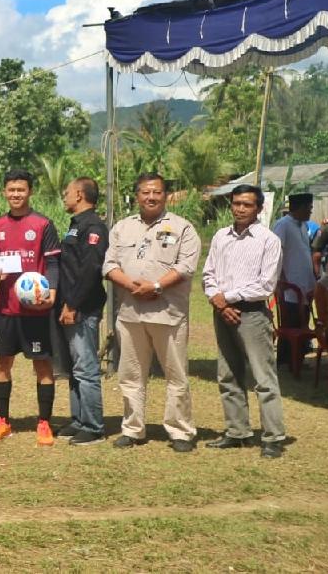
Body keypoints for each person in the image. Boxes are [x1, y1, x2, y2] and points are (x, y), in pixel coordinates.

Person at [103, 172, 202, 452]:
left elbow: (185, 267)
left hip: (168, 314)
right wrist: (131, 286)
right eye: (145, 192)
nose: (151, 197)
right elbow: (109, 265)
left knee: (176, 375)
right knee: (131, 375)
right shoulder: (122, 228)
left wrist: (156, 286)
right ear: (137, 196)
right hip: (131, 314)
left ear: (166, 195)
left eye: (157, 192)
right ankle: (133, 429)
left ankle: (180, 432)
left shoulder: (182, 228)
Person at [203, 184, 287, 458]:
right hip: (222, 312)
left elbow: (265, 285)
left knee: (263, 378)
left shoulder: (268, 240)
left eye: (247, 204)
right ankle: (237, 431)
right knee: (228, 374)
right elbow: (208, 274)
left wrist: (225, 297)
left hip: (251, 314)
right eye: (236, 203)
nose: (240, 208)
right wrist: (218, 300)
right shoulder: (220, 237)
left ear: (259, 209)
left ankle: (273, 437)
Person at [0, 170, 61, 446]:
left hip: (36, 310)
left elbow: (52, 263)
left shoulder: (43, 225)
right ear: (4, 191)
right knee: (2, 363)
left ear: (30, 192)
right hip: (5, 308)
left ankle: (44, 423)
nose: (16, 194)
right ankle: (2, 421)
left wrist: (50, 293)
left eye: (21, 190)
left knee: (42, 365)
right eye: (11, 189)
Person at [52, 177, 109, 446]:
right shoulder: (76, 225)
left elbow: (90, 270)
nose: (64, 197)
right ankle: (78, 419)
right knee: (75, 369)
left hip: (82, 308)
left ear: (78, 194)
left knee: (86, 368)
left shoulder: (94, 226)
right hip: (68, 305)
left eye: (67, 192)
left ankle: (93, 425)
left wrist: (73, 304)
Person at [272, 193, 316, 331]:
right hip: (290, 287)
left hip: (305, 285)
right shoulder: (283, 225)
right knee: (291, 326)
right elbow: (276, 255)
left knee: (303, 324)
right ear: (300, 208)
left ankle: (302, 350)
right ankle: (287, 353)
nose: (310, 211)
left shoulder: (303, 225)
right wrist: (282, 280)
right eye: (309, 208)